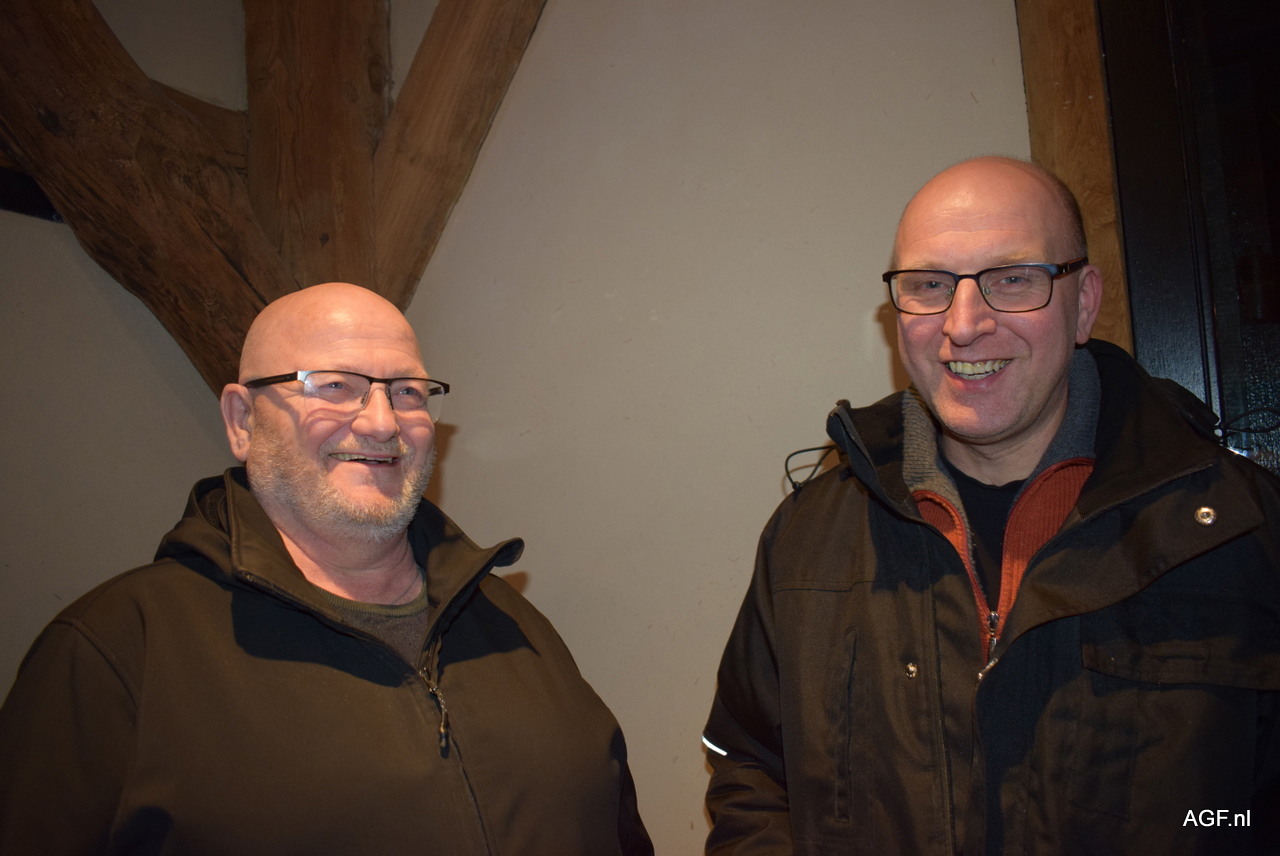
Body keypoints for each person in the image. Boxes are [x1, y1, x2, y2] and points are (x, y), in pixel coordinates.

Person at [702, 157, 1280, 854]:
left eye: (1012, 279)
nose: (965, 324)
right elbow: (750, 770)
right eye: (929, 285)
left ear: (1083, 303)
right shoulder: (808, 538)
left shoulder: (1239, 530)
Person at [0, 282, 652, 855]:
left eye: (407, 391)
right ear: (241, 420)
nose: (382, 422)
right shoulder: (118, 651)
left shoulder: (512, 624)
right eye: (335, 386)